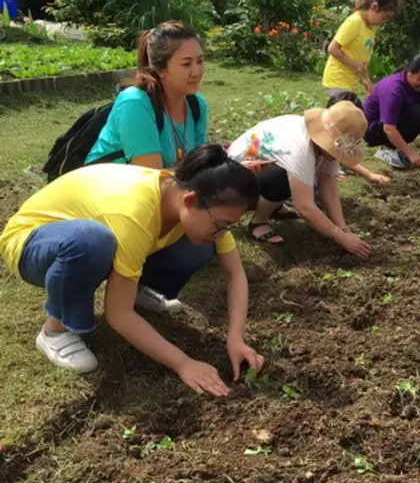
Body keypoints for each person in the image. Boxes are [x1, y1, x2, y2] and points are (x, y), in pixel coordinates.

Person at [0, 145, 265, 396]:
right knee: (92, 241)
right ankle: (55, 329)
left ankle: (135, 290)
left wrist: (236, 339)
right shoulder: (135, 212)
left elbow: (235, 274)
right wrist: (184, 363)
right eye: (221, 225)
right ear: (190, 200)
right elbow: (118, 314)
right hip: (34, 242)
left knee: (199, 246)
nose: (222, 232)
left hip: (91, 237)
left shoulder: (189, 199)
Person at [226, 101, 372, 257]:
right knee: (282, 177)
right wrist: (341, 238)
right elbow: (304, 207)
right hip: (234, 181)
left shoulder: (322, 146)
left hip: (261, 176)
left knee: (301, 180)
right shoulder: (300, 146)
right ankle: (258, 222)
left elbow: (328, 185)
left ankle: (273, 206)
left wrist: (343, 228)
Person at [86, 22, 208, 169]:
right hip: (107, 182)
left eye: (200, 61)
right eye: (186, 64)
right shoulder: (135, 103)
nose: (196, 72)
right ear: (160, 70)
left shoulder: (197, 106)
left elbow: (200, 167)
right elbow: (152, 176)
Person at [362, 54, 420, 170]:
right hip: (370, 130)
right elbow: (388, 128)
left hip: (390, 124)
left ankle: (396, 147)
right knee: (415, 112)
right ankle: (387, 149)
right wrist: (411, 154)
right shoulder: (394, 90)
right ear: (410, 73)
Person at [322, 0, 400, 97]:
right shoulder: (354, 22)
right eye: (384, 17)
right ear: (374, 7)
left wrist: (366, 80)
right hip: (338, 79)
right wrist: (356, 65)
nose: (383, 22)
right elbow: (332, 49)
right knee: (344, 108)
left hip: (351, 82)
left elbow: (362, 61)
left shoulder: (370, 28)